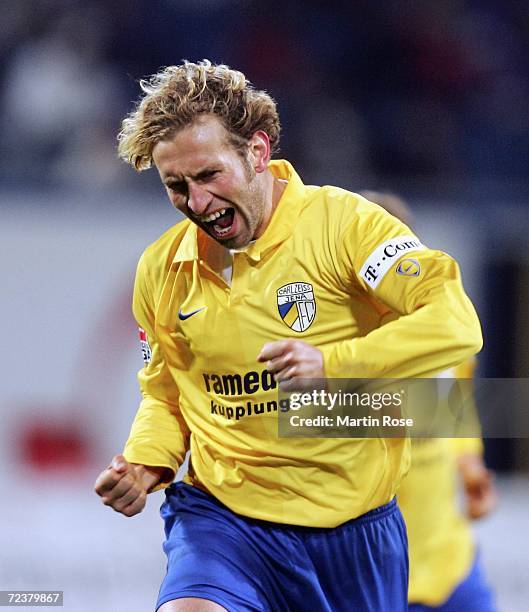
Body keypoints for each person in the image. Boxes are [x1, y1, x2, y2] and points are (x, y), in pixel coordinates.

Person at [94, 60, 483, 612]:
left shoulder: (348, 226)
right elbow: (165, 392)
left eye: (208, 176)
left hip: (355, 537)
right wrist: (145, 463)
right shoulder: (163, 269)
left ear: (256, 151)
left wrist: (336, 363)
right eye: (176, 186)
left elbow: (453, 320)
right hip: (223, 524)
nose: (197, 203)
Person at [362, 191, 498, 611]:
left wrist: (470, 465)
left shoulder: (444, 333)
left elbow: (457, 414)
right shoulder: (320, 353)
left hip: (451, 566)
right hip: (372, 578)